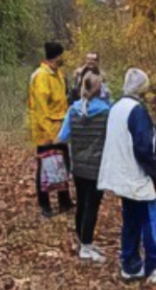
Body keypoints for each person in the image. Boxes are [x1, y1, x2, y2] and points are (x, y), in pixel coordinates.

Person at [98, 68, 156, 286]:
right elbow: (144, 148)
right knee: (149, 220)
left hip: (122, 174)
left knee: (131, 220)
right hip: (137, 175)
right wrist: (155, 172)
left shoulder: (116, 107)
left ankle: (130, 264)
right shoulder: (137, 111)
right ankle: (155, 267)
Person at [58, 68, 111, 263]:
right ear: (100, 89)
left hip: (78, 165)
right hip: (97, 166)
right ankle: (86, 245)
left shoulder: (73, 110)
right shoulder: (106, 112)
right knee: (92, 205)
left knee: (81, 202)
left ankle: (82, 240)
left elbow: (62, 137)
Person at [28, 42, 74, 218]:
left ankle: (64, 200)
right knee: (45, 167)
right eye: (62, 55)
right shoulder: (41, 76)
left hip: (60, 127)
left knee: (63, 164)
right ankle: (45, 204)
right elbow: (40, 108)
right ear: (57, 56)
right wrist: (49, 134)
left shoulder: (59, 75)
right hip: (46, 131)